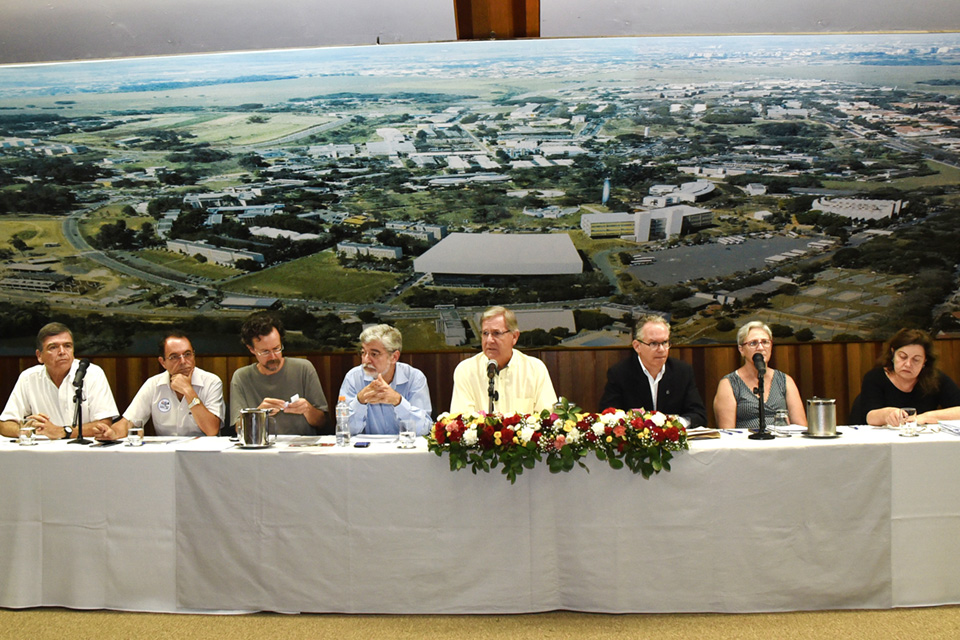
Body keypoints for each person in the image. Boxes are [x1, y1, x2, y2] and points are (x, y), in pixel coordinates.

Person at [0, 322, 118, 439]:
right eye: (53, 347)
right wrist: (25, 431)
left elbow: (104, 424)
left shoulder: (92, 373)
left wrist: (62, 431)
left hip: (85, 452)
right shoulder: (28, 378)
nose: (62, 352)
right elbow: (5, 424)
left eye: (67, 346)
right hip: (43, 452)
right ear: (39, 356)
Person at [99, 331, 224, 439]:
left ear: (194, 355)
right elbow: (128, 422)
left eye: (187, 354)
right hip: (166, 457)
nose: (183, 361)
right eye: (174, 357)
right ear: (162, 362)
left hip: (205, 456)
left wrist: (188, 390)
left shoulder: (211, 382)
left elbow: (212, 430)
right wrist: (113, 432)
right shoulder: (153, 384)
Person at [229, 311, 329, 435]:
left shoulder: (304, 368)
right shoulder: (241, 377)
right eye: (265, 351)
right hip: (261, 449)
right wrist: (258, 414)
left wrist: (308, 409)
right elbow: (238, 429)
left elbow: (322, 422)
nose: (273, 357)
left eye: (277, 348)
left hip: (300, 448)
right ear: (251, 349)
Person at [598, 314, 706, 427]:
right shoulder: (620, 373)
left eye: (665, 343)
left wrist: (675, 424)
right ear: (637, 346)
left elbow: (699, 415)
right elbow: (608, 416)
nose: (661, 350)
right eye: (654, 343)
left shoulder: (682, 372)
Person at [449, 306, 558, 415]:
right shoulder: (465, 371)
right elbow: (461, 421)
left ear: (514, 337)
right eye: (485, 333)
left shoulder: (535, 369)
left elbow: (547, 418)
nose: (489, 340)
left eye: (496, 333)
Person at [338, 324, 432, 436]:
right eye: (363, 353)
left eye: (374, 354)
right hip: (367, 451)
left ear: (394, 357)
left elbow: (424, 430)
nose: (366, 360)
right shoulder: (353, 378)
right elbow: (344, 430)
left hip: (405, 450)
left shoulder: (414, 377)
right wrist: (360, 401)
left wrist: (398, 401)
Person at [855, 328, 960, 426]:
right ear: (893, 353)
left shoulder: (936, 378)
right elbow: (869, 417)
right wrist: (888, 414)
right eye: (903, 357)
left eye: (916, 359)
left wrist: (925, 417)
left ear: (925, 361)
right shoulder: (875, 377)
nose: (908, 364)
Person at [713, 320, 806, 430]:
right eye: (753, 343)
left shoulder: (785, 380)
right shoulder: (729, 383)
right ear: (741, 349)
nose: (761, 348)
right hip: (746, 445)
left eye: (765, 342)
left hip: (781, 443)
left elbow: (801, 427)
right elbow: (728, 433)